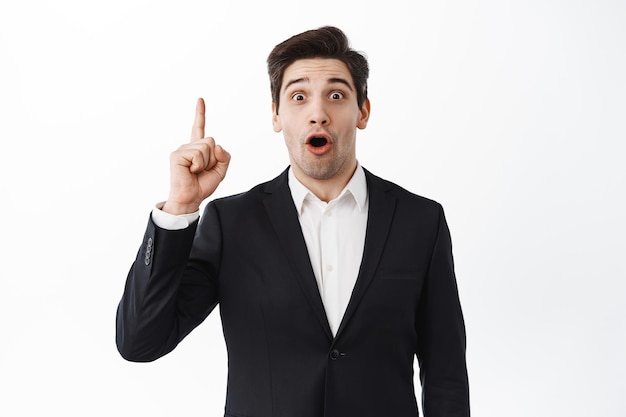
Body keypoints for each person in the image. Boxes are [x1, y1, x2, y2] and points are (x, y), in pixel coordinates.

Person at [116, 26, 470, 417]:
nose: (318, 113)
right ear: (276, 115)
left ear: (363, 111)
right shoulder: (232, 223)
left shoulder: (421, 221)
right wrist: (180, 207)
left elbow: (445, 375)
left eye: (336, 95)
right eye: (298, 97)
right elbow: (140, 342)